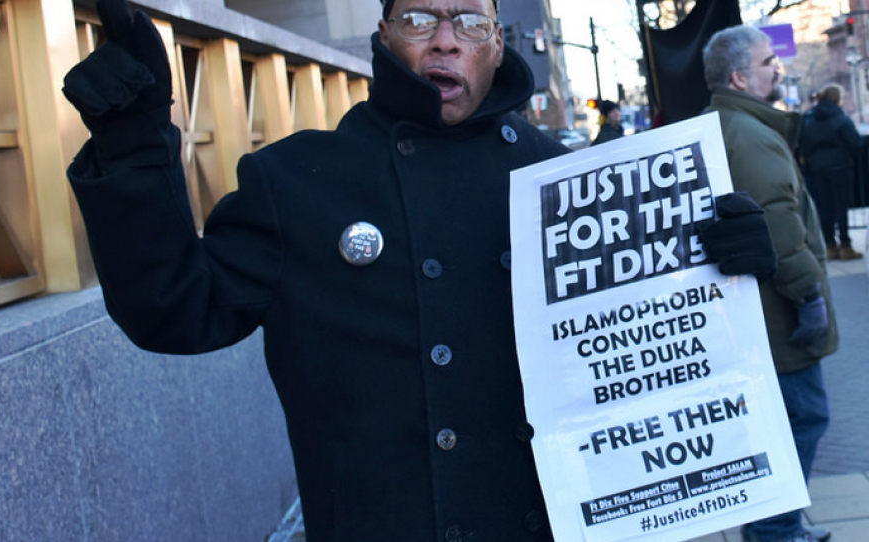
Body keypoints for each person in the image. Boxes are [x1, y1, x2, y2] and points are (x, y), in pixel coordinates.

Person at [61, 0, 776, 539]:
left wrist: (729, 267)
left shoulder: (575, 184)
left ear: (498, 43)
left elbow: (668, 357)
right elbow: (174, 309)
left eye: (469, 20)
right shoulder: (298, 181)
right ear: (384, 40)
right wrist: (133, 148)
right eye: (419, 18)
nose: (444, 38)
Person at [703, 24, 838, 542]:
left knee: (778, 423)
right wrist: (809, 297)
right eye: (767, 62)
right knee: (803, 419)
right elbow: (779, 226)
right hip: (779, 314)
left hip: (751, 309)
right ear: (741, 76)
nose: (777, 68)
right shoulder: (751, 135)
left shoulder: (726, 125)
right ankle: (778, 530)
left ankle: (778, 523)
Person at [799, 83, 864, 260]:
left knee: (825, 206)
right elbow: (856, 143)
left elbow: (803, 144)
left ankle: (829, 245)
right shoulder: (840, 119)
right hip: (840, 167)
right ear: (838, 99)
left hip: (818, 169)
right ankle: (845, 245)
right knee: (841, 207)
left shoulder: (809, 119)